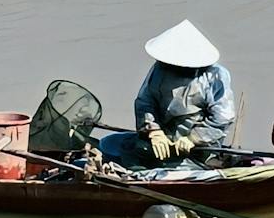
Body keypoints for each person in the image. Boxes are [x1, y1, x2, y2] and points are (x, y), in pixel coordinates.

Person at [98, 19, 236, 168]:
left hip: (198, 146)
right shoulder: (160, 70)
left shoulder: (214, 75)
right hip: (162, 140)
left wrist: (194, 138)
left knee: (187, 165)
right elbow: (145, 103)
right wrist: (154, 132)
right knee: (117, 147)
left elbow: (222, 118)